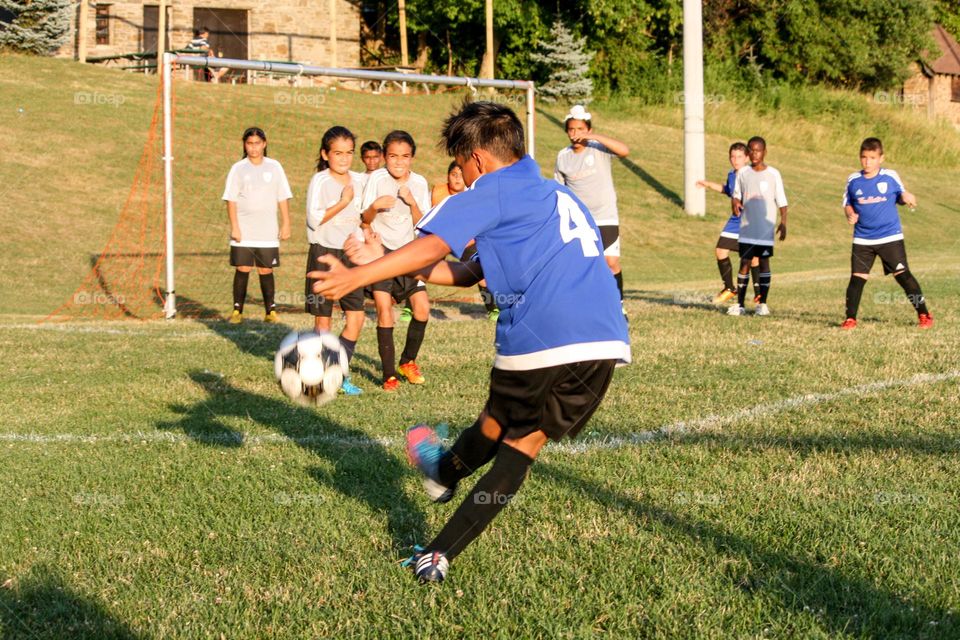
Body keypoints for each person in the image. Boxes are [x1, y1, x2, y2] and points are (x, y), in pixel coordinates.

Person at [310, 101, 630, 583]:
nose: (461, 174)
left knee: (497, 424)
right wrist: (388, 256)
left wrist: (359, 272)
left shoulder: (492, 188)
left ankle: (442, 474)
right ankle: (438, 547)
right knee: (521, 443)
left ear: (477, 159)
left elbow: (436, 245)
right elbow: (464, 272)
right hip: (604, 343)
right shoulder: (553, 195)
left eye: (460, 165)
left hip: (541, 334)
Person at [359, 131, 432, 390]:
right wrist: (375, 207)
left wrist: (412, 203)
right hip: (382, 254)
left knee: (422, 308)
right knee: (384, 311)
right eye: (392, 156)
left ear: (412, 157)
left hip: (409, 254)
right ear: (384, 156)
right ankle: (388, 374)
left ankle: (407, 361)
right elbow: (364, 220)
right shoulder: (377, 179)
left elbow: (424, 225)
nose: (398, 162)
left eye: (404, 156)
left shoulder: (420, 183)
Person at [841, 137, 933, 329]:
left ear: (881, 158)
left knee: (903, 276)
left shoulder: (890, 176)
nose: (868, 162)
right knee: (857, 279)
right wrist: (850, 214)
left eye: (872, 158)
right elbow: (847, 203)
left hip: (890, 237)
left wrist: (906, 197)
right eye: (864, 157)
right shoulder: (853, 180)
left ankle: (924, 313)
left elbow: (900, 195)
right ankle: (850, 318)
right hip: (863, 239)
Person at [304, 126, 366, 395]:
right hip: (324, 254)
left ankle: (339, 373)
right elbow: (314, 219)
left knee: (357, 318)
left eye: (349, 153)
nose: (343, 158)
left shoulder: (359, 181)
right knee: (323, 321)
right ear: (325, 154)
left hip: (350, 258)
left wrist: (365, 235)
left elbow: (362, 216)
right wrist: (343, 202)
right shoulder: (320, 181)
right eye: (338, 153)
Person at [554, 104, 630, 313]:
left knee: (611, 262)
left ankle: (619, 306)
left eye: (580, 129)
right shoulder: (563, 156)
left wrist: (595, 136)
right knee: (582, 264)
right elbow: (560, 190)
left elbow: (625, 151)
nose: (575, 133)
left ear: (587, 129)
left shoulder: (599, 148)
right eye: (571, 129)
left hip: (605, 216)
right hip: (581, 221)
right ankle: (585, 306)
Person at [222, 127, 292, 324]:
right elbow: (231, 199)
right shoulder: (238, 168)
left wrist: (286, 223)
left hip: (268, 229)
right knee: (243, 268)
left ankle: (270, 311)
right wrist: (235, 226)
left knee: (266, 269)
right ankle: (237, 311)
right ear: (245, 145)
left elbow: (283, 196)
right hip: (244, 229)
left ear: (264, 144)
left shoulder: (274, 167)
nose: (253, 148)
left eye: (257, 143)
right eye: (249, 144)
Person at [728, 136, 787, 317]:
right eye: (751, 150)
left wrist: (783, 222)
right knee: (744, 263)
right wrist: (735, 203)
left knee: (763, 263)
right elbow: (736, 195)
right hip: (747, 227)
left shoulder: (773, 174)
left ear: (764, 152)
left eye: (758, 150)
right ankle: (740, 305)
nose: (755, 154)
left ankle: (762, 304)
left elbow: (781, 200)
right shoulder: (743, 173)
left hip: (764, 229)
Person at [432, 162, 498, 319]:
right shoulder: (438, 192)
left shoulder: (472, 194)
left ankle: (493, 308)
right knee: (421, 263)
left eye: (460, 176)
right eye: (453, 175)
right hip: (441, 238)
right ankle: (410, 305)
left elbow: (477, 225)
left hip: (467, 241)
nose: (457, 179)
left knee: (481, 275)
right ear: (448, 176)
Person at [697, 142, 761, 304]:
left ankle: (759, 294)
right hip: (735, 221)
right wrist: (708, 184)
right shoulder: (732, 175)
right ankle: (729, 288)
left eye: (739, 156)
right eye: (732, 156)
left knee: (753, 258)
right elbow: (728, 190)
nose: (735, 160)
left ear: (747, 158)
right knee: (720, 251)